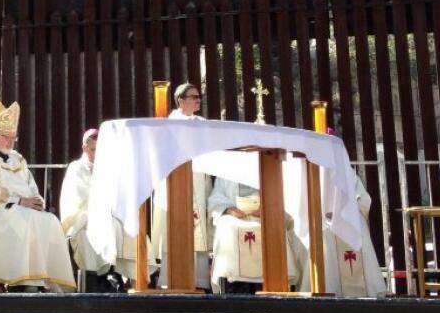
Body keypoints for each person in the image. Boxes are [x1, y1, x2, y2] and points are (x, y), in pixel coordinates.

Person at [0, 100, 75, 291]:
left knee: (51, 221)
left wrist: (36, 200)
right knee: (28, 221)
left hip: (21, 209)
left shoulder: (17, 158)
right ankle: (22, 283)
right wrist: (19, 201)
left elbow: (30, 185)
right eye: (5, 137)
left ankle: (45, 282)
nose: (10, 142)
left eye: (13, 137)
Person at [60, 127, 146, 291]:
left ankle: (126, 279)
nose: (97, 154)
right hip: (84, 219)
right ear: (84, 148)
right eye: (93, 150)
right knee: (99, 230)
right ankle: (96, 279)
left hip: (109, 215)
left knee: (131, 231)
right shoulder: (76, 168)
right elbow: (75, 198)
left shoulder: (109, 168)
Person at [150, 82, 212, 289]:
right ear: (181, 101)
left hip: (197, 178)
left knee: (198, 232)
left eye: (198, 96)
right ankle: (171, 279)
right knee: (174, 230)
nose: (198, 100)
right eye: (193, 97)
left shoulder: (202, 122)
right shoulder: (170, 123)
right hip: (176, 181)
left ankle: (199, 280)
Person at [208, 175, 306, 295]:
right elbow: (216, 198)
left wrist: (269, 207)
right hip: (235, 218)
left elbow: (287, 197)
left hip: (266, 218)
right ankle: (232, 284)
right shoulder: (228, 166)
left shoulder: (271, 160)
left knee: (275, 228)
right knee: (226, 225)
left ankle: (275, 287)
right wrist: (228, 209)